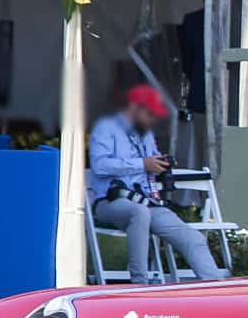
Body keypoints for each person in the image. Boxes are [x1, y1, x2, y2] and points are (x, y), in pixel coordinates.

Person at [89, 84, 227, 286]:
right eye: (150, 114)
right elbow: (99, 166)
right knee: (139, 213)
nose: (154, 119)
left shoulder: (145, 132)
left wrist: (160, 164)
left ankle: (214, 287)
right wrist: (142, 164)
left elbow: (150, 162)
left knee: (191, 237)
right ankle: (140, 285)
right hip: (109, 202)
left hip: (146, 201)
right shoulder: (105, 129)